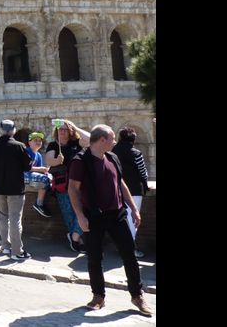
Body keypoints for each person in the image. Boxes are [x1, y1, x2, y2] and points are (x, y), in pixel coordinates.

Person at [69, 125, 153, 317]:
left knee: (129, 255)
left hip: (117, 214)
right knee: (95, 258)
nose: (115, 142)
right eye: (112, 138)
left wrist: (133, 209)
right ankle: (98, 296)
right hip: (93, 216)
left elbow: (120, 183)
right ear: (102, 140)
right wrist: (80, 217)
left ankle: (137, 295)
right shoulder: (80, 161)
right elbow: (72, 189)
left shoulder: (112, 157)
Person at [0, 119, 34, 261]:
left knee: (3, 217)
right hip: (15, 189)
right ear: (13, 130)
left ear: (0, 130)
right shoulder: (19, 146)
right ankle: (17, 251)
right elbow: (27, 167)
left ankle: (5, 247)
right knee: (15, 219)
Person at [44, 119, 90, 252]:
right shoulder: (53, 145)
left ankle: (74, 236)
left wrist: (76, 127)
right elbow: (49, 159)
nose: (62, 132)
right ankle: (77, 240)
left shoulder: (76, 142)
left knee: (83, 211)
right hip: (62, 185)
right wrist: (56, 161)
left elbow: (91, 140)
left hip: (79, 184)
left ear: (70, 131)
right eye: (60, 129)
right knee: (69, 214)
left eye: (65, 129)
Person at [112, 127, 150, 258]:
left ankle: (123, 246)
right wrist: (145, 185)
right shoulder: (136, 153)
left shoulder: (113, 152)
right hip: (134, 189)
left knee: (122, 219)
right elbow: (143, 172)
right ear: (133, 140)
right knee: (133, 219)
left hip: (117, 189)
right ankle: (130, 249)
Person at [23, 132, 53, 218]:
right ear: (29, 142)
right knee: (44, 180)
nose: (38, 142)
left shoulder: (38, 155)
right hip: (23, 176)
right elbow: (26, 168)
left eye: (40, 140)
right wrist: (42, 169)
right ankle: (38, 204)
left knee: (50, 178)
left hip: (31, 176)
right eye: (35, 140)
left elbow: (39, 171)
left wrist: (46, 172)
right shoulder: (26, 152)